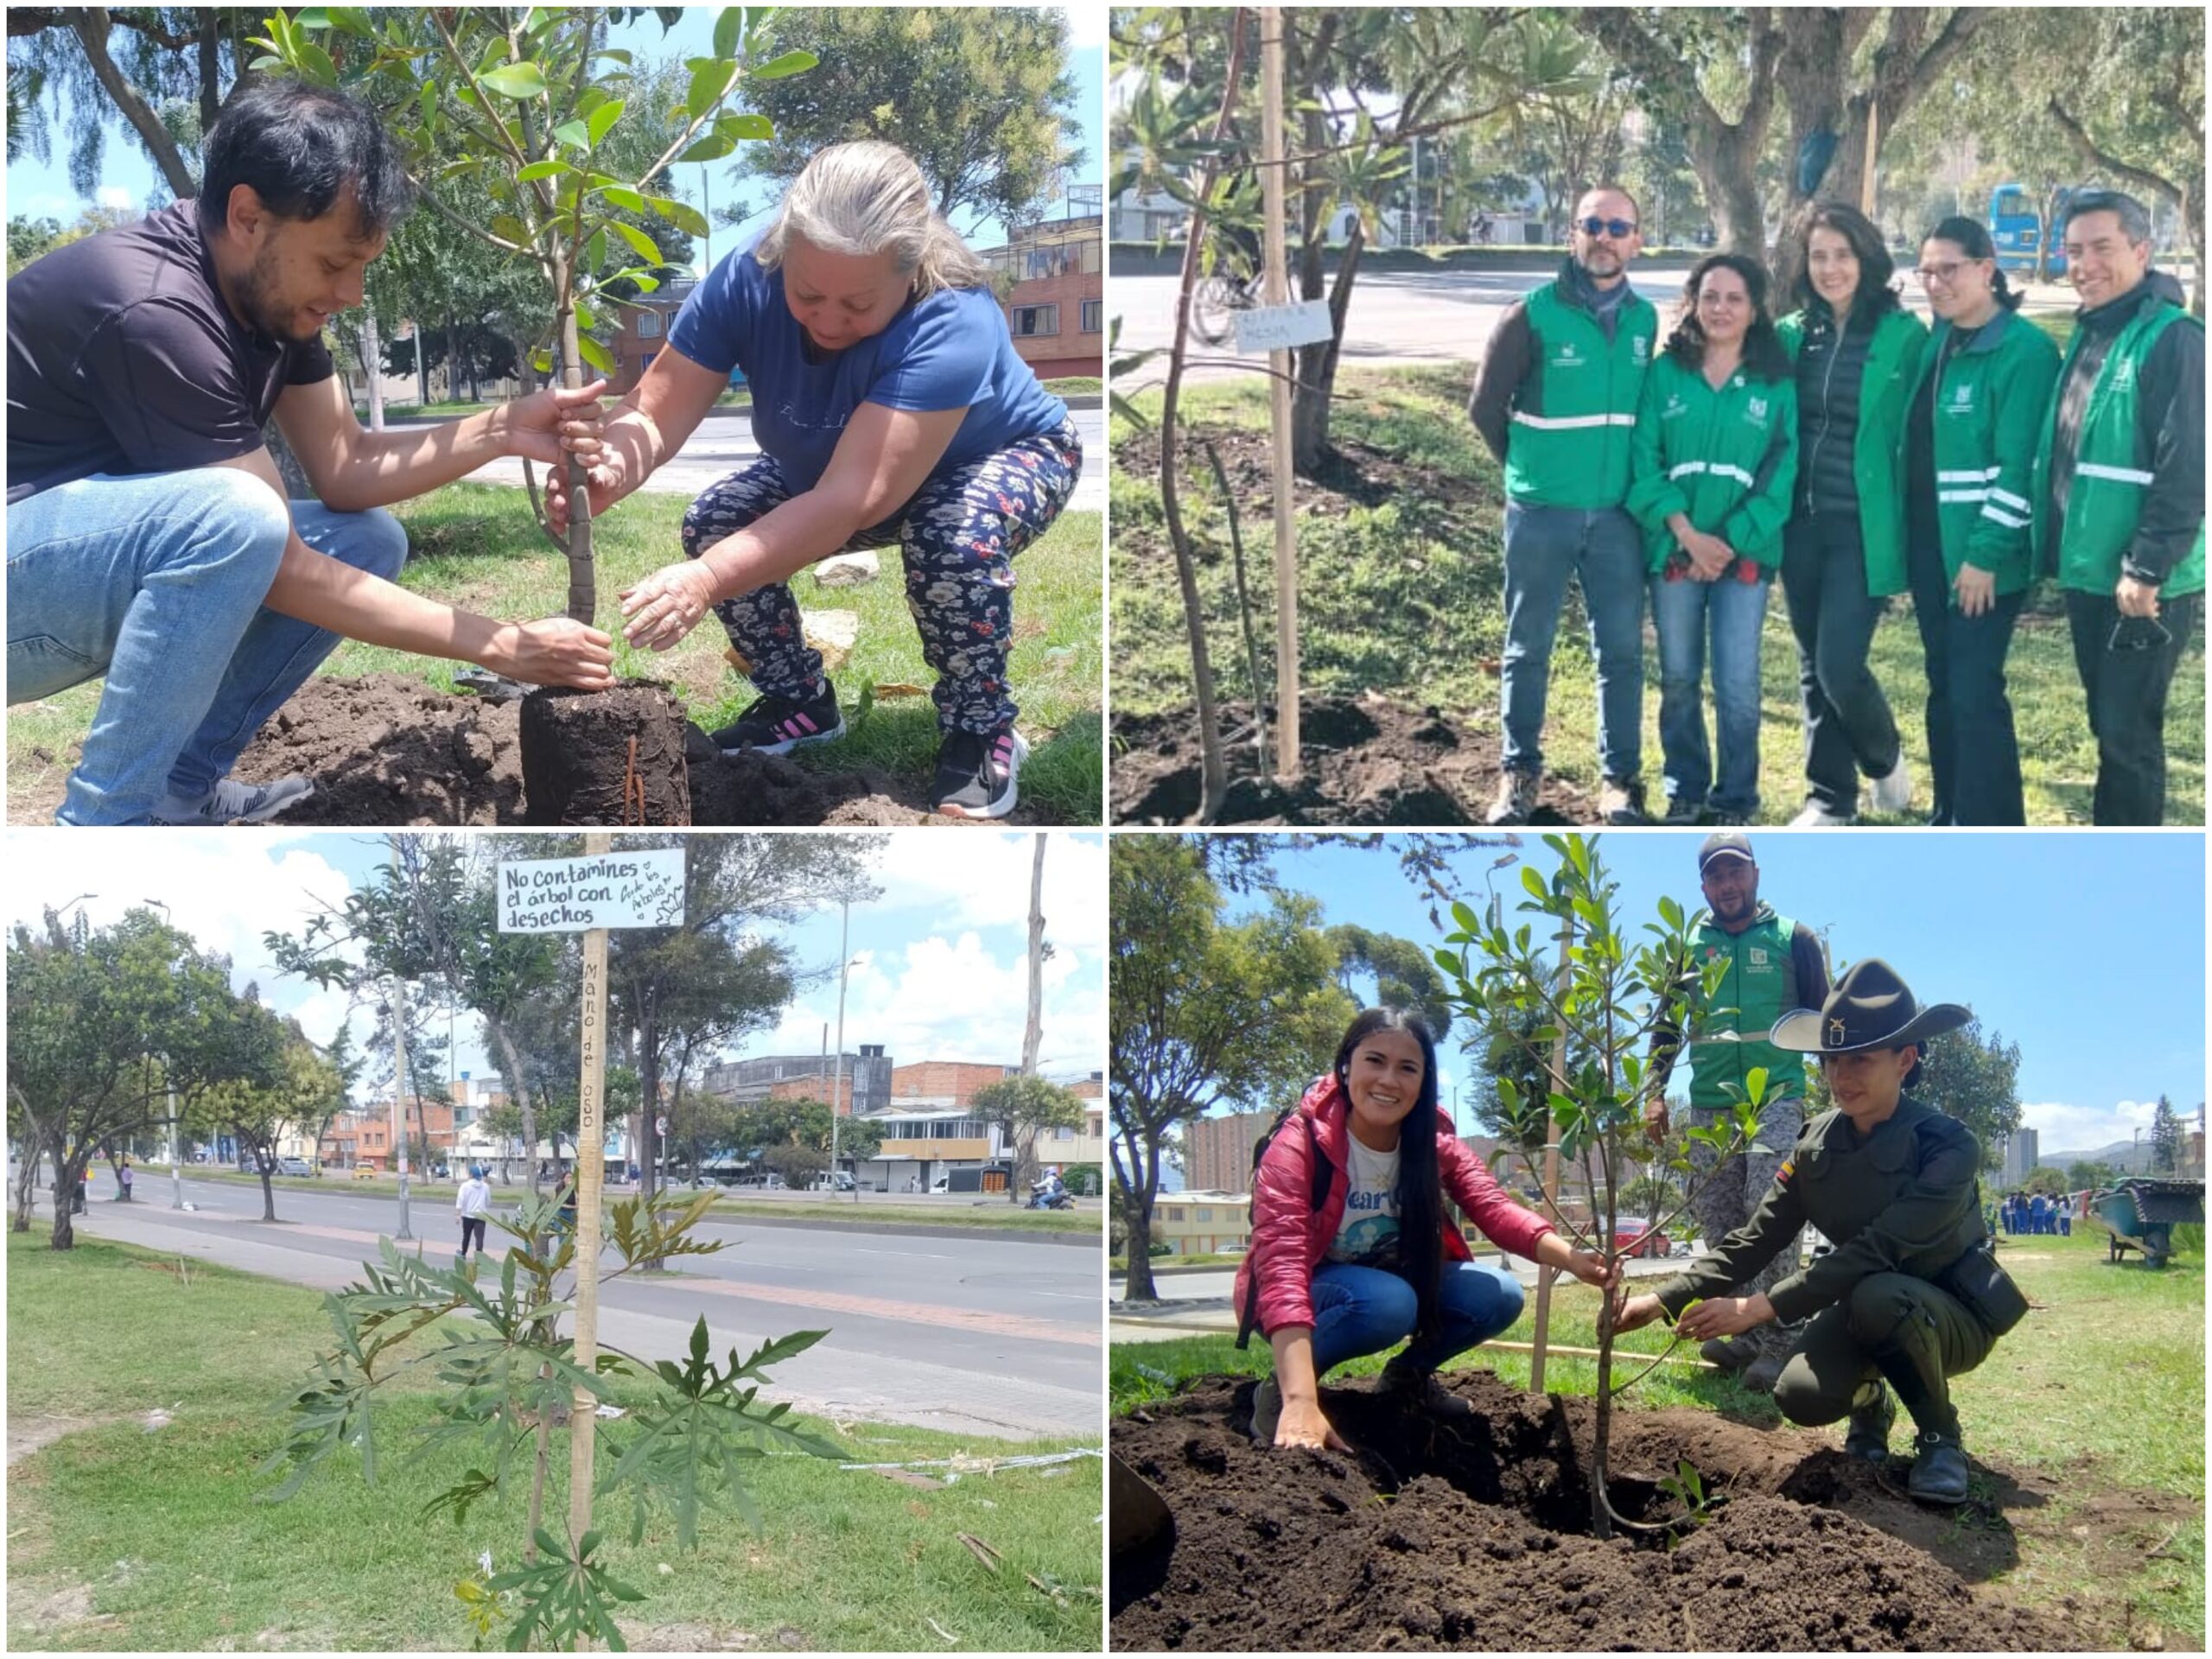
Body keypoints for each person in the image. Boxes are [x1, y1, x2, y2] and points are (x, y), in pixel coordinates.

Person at [6, 79, 616, 827]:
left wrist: (502, 428)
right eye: (334, 264)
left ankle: (179, 791)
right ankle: (107, 826)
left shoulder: (264, 297)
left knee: (364, 541)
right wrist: (502, 645)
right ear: (246, 216)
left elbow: (346, 465)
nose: (353, 293)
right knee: (236, 520)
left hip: (56, 569)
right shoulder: (157, 309)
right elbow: (279, 558)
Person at [549, 141, 1084, 820]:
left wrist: (705, 581)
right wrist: (605, 471)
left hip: (1005, 456)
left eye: (858, 305)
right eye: (807, 295)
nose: (829, 321)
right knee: (718, 523)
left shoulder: (955, 316)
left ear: (911, 269)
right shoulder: (744, 278)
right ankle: (799, 704)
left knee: (951, 532)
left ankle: (979, 727)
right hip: (843, 468)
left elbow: (849, 501)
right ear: (784, 254)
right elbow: (655, 410)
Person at [1617, 959, 2018, 1505]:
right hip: (1862, 1309)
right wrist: (1660, 1300)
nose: (1840, 1076)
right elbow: (1757, 1238)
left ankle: (1940, 1436)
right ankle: (1872, 1399)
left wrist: (1760, 1308)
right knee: (1801, 1396)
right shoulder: (1814, 1145)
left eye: (1860, 1059)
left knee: (1880, 1292)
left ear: (1906, 1059)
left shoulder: (1946, 1145)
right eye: (1830, 1059)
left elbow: (1878, 1251)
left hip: (1950, 1318)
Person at [1233, 1007, 1614, 1451]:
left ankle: (1405, 1379)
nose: (1389, 1080)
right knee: (1388, 1302)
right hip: (1309, 1292)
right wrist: (1300, 1398)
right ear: (1346, 1066)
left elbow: (1493, 1207)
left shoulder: (1432, 1144)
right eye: (1374, 1060)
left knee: (1498, 1294)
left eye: (1407, 1068)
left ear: (1423, 1081)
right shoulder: (1301, 1142)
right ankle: (1283, 1393)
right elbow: (1281, 1264)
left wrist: (1572, 1258)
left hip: (1388, 1287)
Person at [1468, 184, 1657, 826]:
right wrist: (1531, 475)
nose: (1604, 237)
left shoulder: (1645, 321)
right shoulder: (1528, 315)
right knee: (1528, 647)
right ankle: (1518, 778)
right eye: (1592, 224)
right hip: (1540, 515)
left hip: (1617, 519)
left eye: (1618, 227)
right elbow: (1485, 409)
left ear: (1636, 239)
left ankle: (1620, 783)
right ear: (1571, 234)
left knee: (1622, 653)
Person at [2028, 189, 2204, 825]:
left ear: (2141, 250)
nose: (2085, 264)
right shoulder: (2092, 332)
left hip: (2141, 583)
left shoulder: (2175, 340)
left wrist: (2148, 566)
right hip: (2091, 573)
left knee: (2128, 743)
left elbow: (2187, 469)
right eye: (2073, 251)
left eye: (2102, 248)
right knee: (2109, 726)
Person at [1643, 833, 1831, 1393]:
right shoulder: (1688, 947)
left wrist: (1840, 1088)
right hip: (1710, 1105)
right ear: (1704, 886)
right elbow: (1666, 1026)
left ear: (1755, 874)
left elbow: (1823, 1020)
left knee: (1766, 1209)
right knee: (1720, 1220)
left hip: (1776, 1095)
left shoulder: (1794, 938)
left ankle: (1779, 1340)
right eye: (1716, 877)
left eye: (1736, 873)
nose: (1728, 885)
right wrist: (1655, 1090)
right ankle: (1743, 1335)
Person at [1626, 255, 1798, 825]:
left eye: (1735, 299)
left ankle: (1736, 799)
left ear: (1754, 310)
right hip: (1674, 552)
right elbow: (1643, 458)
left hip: (1743, 558)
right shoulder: (1664, 373)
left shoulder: (1774, 382)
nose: (1721, 308)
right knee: (1678, 676)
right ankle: (1687, 789)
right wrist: (1685, 534)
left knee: (1738, 683)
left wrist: (1726, 543)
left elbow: (1783, 467)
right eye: (1710, 296)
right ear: (1693, 303)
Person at [1773, 201, 1929, 826]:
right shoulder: (1790, 333)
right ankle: (1830, 800)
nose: (1830, 268)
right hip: (1798, 525)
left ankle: (1885, 759)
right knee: (1813, 666)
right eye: (1818, 256)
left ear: (1866, 258)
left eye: (1842, 254)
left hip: (1864, 526)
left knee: (1840, 663)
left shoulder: (1902, 335)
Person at [1904, 219, 2061, 826]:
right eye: (1927, 270)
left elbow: (2022, 465)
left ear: (1987, 268)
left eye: (1950, 268)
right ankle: (1950, 812)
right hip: (1930, 546)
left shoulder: (2024, 351)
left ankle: (1991, 823)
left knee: (1973, 691)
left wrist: (1986, 554)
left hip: (1981, 557)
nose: (1936, 281)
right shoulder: (1939, 341)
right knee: (1943, 683)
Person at [455, 1163, 492, 1262]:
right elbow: (488, 1201)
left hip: (467, 1215)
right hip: (481, 1215)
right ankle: (479, 1257)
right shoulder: (485, 1186)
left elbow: (460, 1201)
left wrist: (458, 1215)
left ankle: (463, 1253)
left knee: (466, 1235)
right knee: (479, 1237)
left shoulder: (465, 1186)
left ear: (471, 1175)